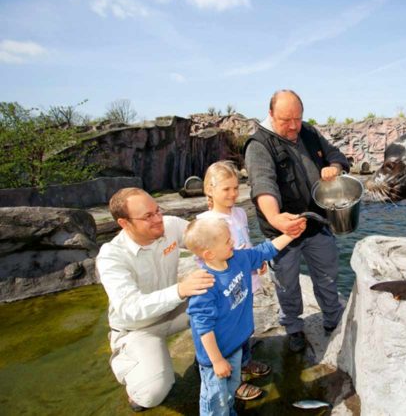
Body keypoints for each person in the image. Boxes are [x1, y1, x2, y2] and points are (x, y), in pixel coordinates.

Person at [243, 89, 350, 352]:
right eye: (285, 120)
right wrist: (275, 218)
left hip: (317, 223)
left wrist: (333, 168)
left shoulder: (309, 132)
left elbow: (338, 156)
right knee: (287, 284)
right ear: (270, 114)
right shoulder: (259, 145)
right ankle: (293, 327)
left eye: (297, 119)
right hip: (283, 233)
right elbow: (263, 185)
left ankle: (333, 320)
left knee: (327, 276)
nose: (293, 126)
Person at [96, 187, 215, 412]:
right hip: (138, 328)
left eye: (157, 210)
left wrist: (244, 257)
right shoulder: (111, 257)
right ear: (124, 223)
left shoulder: (169, 225)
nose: (158, 219)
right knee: (152, 394)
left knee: (219, 294)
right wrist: (180, 290)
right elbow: (131, 308)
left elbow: (206, 241)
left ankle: (211, 358)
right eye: (148, 216)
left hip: (174, 311)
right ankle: (127, 360)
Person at [184, 217, 300, 416]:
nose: (233, 242)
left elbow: (265, 250)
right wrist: (217, 360)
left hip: (236, 345)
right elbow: (203, 328)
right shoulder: (204, 285)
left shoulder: (239, 258)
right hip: (216, 355)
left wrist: (290, 234)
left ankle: (229, 411)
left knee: (231, 388)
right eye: (227, 241)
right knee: (215, 398)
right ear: (209, 253)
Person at [197, 160, 270, 401]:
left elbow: (245, 244)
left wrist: (257, 261)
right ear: (210, 189)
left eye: (236, 188)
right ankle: (233, 381)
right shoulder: (206, 222)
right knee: (227, 332)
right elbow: (204, 261)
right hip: (223, 289)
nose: (232, 194)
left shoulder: (239, 213)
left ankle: (245, 361)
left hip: (245, 282)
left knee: (244, 322)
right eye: (226, 189)